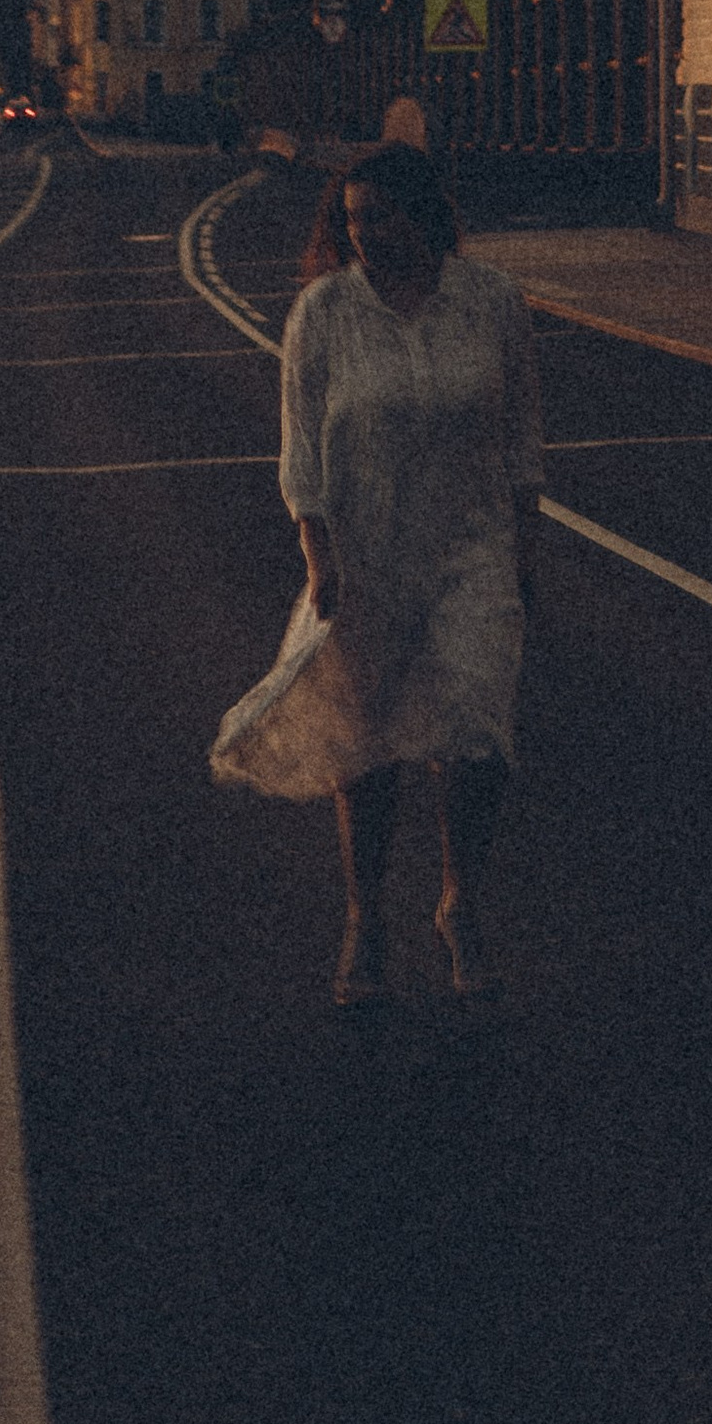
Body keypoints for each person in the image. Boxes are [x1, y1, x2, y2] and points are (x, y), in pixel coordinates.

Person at [211, 142, 545, 1004]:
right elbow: (302, 455)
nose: (365, 234)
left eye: (382, 216)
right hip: (366, 554)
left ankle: (459, 903)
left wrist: (525, 556)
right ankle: (365, 918)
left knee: (477, 733)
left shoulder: (491, 301)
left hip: (472, 550)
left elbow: (521, 442)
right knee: (368, 743)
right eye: (352, 218)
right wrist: (321, 560)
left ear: (424, 214)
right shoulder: (323, 314)